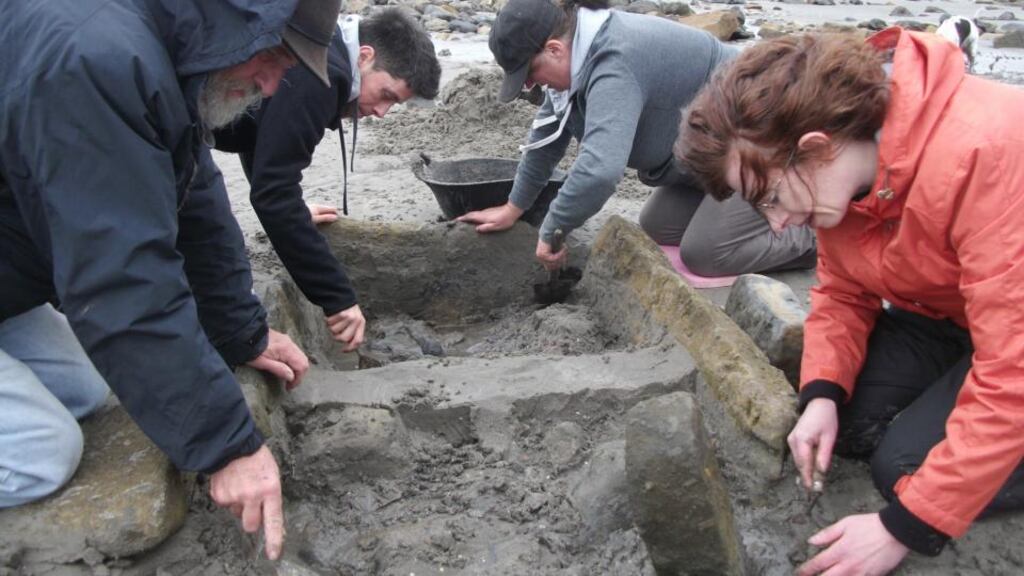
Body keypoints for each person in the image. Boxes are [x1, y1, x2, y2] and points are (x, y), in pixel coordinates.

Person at [0, 0, 343, 560]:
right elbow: (119, 277)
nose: (274, 86)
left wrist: (241, 330)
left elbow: (196, 200)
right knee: (42, 454)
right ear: (236, 28)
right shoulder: (95, 60)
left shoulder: (165, 48)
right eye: (275, 59)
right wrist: (227, 446)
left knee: (85, 390)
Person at [675, 29, 1024, 575]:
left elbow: (1012, 372)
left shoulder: (988, 151)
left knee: (905, 469)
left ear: (815, 146)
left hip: (1010, 337)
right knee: (850, 422)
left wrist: (901, 526)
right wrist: (822, 395)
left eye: (769, 197)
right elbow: (842, 291)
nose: (777, 223)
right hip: (955, 316)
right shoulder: (845, 178)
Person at [459, 0, 816, 276]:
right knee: (658, 227)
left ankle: (815, 236)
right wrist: (513, 207)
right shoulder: (579, 54)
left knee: (705, 254)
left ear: (554, 49)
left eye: (530, 73)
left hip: (764, 147)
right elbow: (547, 138)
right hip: (710, 163)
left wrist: (553, 228)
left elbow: (600, 170)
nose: (530, 86)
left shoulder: (614, 57)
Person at [213, 8, 441, 353]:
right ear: (365, 57)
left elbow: (262, 133)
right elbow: (273, 195)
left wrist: (290, 202)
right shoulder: (321, 75)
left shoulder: (327, 49)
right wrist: (338, 298)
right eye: (387, 95)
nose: (382, 112)